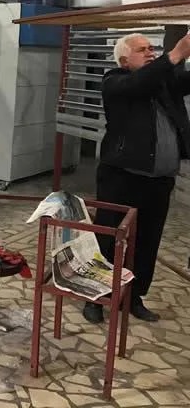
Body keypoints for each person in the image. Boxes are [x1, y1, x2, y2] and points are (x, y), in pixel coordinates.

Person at [83, 31, 190, 324]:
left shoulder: (163, 82)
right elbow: (138, 84)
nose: (150, 52)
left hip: (159, 182)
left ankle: (133, 296)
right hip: (121, 178)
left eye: (152, 48)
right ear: (123, 60)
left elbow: (181, 79)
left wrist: (180, 58)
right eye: (142, 49)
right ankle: (95, 296)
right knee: (108, 239)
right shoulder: (115, 82)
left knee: (147, 242)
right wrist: (176, 53)